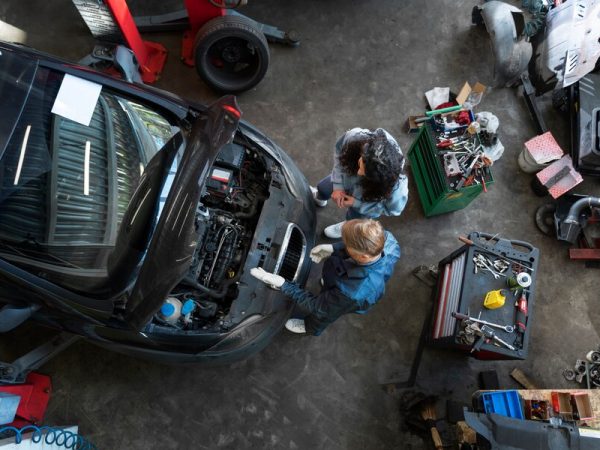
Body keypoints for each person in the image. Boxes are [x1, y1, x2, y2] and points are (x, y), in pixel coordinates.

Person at [250, 219, 401, 335]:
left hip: (346, 300)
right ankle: (330, 287)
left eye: (346, 245)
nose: (344, 245)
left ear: (362, 256)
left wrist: (283, 284)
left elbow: (319, 306)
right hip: (342, 282)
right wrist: (334, 248)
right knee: (331, 292)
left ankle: (310, 328)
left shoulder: (352, 292)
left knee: (322, 315)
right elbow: (359, 247)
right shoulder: (387, 239)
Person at [310, 127, 408, 239]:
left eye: (366, 174)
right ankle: (320, 197)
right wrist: (338, 186)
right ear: (362, 152)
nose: (359, 172)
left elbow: (392, 210)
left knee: (355, 218)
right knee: (323, 188)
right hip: (344, 179)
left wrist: (357, 203)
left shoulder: (398, 189)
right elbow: (339, 154)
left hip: (365, 201)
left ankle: (346, 225)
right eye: (360, 163)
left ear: (381, 179)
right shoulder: (355, 137)